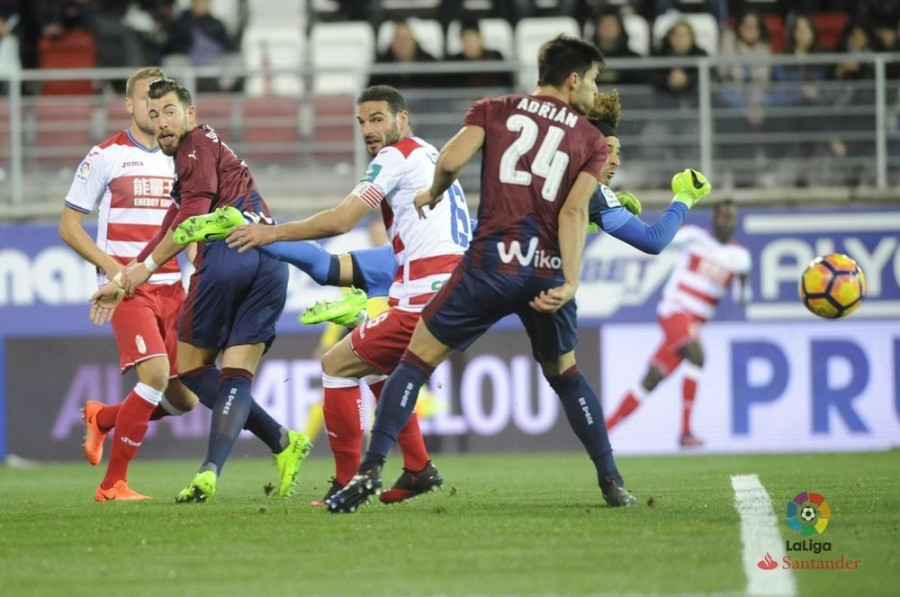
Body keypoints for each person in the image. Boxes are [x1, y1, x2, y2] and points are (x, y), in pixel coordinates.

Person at [324, 35, 708, 514]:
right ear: (572, 81)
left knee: (414, 363)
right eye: (591, 79)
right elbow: (572, 213)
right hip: (544, 273)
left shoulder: (496, 108)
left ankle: (371, 470)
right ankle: (611, 482)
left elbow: (447, 161)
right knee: (567, 377)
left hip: (489, 263)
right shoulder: (588, 140)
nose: (592, 89)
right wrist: (569, 281)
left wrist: (434, 192)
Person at [222, 84, 470, 507]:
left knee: (336, 364)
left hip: (425, 293)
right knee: (373, 369)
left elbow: (340, 221)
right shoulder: (428, 153)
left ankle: (344, 484)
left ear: (402, 118)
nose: (368, 131)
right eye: (361, 122)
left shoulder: (396, 157)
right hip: (453, 288)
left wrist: (271, 232)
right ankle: (417, 467)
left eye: (377, 119)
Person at [89, 78, 312, 503]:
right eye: (153, 116)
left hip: (231, 254)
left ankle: (266, 445)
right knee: (236, 374)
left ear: (190, 114)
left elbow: (190, 218)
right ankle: (268, 450)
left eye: (170, 111)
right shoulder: (207, 150)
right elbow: (169, 224)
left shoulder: (192, 149)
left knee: (190, 370)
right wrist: (126, 276)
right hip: (270, 258)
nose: (161, 124)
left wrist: (143, 271)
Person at [59, 66, 198, 502]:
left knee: (185, 401)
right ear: (128, 105)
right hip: (128, 289)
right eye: (145, 102)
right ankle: (112, 485)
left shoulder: (183, 157)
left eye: (162, 106)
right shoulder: (107, 155)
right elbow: (69, 226)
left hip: (174, 287)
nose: (155, 113)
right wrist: (113, 272)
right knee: (154, 375)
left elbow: (189, 224)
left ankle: (103, 419)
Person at [604, 200, 750, 447]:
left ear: (736, 223)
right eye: (722, 216)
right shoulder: (694, 238)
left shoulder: (740, 257)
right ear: (713, 219)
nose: (726, 222)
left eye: (731, 218)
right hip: (675, 311)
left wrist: (744, 282)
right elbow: (658, 238)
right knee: (698, 356)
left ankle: (603, 431)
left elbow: (742, 299)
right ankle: (685, 432)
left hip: (693, 324)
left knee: (650, 379)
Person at [367, 20, 437, 89]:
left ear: (414, 42)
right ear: (392, 43)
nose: (402, 44)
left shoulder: (429, 64)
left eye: (405, 39)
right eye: (398, 40)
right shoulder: (381, 67)